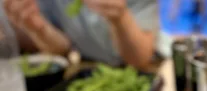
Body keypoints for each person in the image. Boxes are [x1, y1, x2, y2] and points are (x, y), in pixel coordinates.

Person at [4, 0, 158, 69]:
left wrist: (120, 17)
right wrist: (37, 27)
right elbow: (62, 48)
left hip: (143, 71)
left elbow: (140, 58)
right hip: (85, 69)